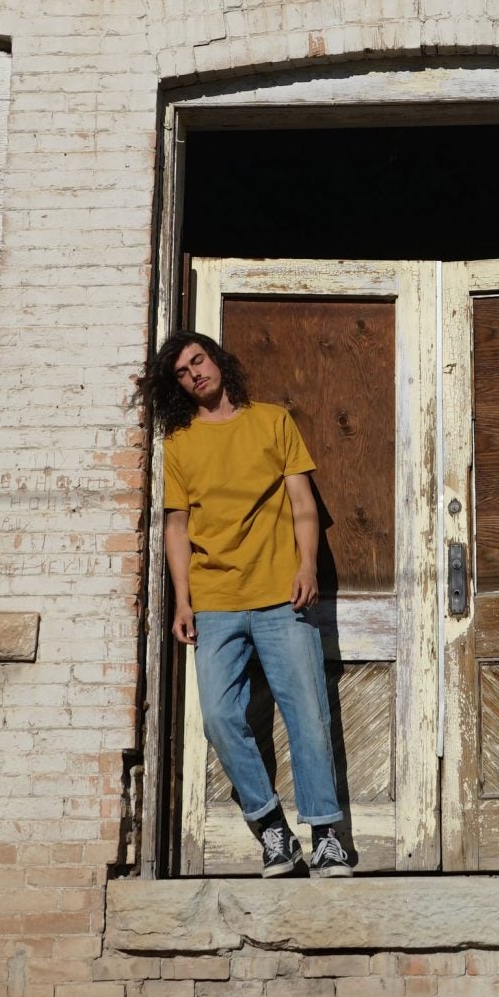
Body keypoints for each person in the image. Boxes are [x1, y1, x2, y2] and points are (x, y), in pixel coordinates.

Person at [148, 328, 353, 878]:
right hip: (215, 602)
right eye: (184, 373)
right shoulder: (181, 444)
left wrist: (307, 565)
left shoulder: (271, 421)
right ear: (180, 388)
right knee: (218, 717)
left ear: (217, 359)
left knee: (307, 714)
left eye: (200, 360)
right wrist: (182, 600)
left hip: (282, 595)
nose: (196, 373)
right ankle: (273, 832)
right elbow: (177, 525)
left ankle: (328, 835)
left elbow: (303, 503)